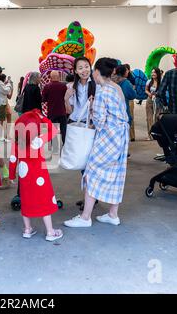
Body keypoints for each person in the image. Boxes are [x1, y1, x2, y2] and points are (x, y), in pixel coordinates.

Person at [64, 58, 129, 228]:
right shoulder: (115, 89)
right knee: (117, 173)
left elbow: (99, 122)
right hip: (121, 137)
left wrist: (93, 109)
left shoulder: (102, 91)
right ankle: (113, 214)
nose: (89, 71)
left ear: (97, 72)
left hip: (108, 137)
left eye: (91, 68)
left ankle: (85, 217)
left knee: (91, 173)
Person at [9, 109, 63, 241]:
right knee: (44, 200)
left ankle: (27, 229)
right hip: (40, 177)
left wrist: (11, 176)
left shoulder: (16, 143)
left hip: (24, 177)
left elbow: (12, 160)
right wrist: (42, 118)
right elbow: (55, 130)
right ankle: (50, 232)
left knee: (26, 200)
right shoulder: (38, 140)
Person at [64, 56, 97, 210]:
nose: (84, 70)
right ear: (75, 71)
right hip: (77, 127)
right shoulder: (71, 86)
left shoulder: (97, 85)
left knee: (89, 165)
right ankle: (90, 197)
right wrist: (66, 99)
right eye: (81, 67)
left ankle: (91, 198)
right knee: (82, 163)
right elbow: (69, 111)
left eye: (86, 66)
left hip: (90, 128)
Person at [42, 70, 67, 145]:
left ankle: (53, 145)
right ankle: (64, 143)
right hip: (62, 111)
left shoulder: (47, 86)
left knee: (52, 129)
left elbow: (44, 99)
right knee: (63, 129)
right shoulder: (63, 86)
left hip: (52, 111)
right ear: (58, 77)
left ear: (50, 77)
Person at [114, 65, 137, 140]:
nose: (128, 72)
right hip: (123, 110)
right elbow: (132, 95)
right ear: (124, 72)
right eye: (126, 70)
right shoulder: (126, 82)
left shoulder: (111, 81)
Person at [0, 66, 12, 142]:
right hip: (0, 103)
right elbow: (6, 91)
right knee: (0, 121)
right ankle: (0, 136)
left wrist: (4, 84)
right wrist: (9, 84)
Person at [145, 68, 162, 139]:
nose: (153, 74)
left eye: (154, 72)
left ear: (158, 73)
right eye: (152, 72)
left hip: (158, 100)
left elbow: (163, 90)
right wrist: (149, 94)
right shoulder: (149, 81)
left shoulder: (161, 82)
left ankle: (157, 134)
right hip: (149, 100)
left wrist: (157, 94)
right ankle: (150, 135)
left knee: (157, 117)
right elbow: (146, 90)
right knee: (149, 118)